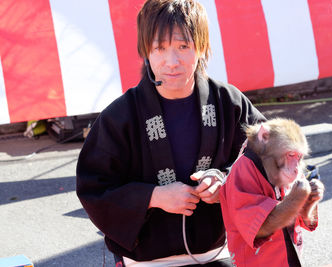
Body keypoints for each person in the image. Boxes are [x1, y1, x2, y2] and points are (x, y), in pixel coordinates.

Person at [76, 0, 265, 266]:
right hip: (145, 260)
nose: (171, 62)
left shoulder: (229, 103)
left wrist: (224, 182)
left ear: (201, 47)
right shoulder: (120, 116)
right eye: (159, 48)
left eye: (183, 46)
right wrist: (153, 197)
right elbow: (93, 187)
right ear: (146, 51)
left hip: (218, 252)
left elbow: (265, 160)